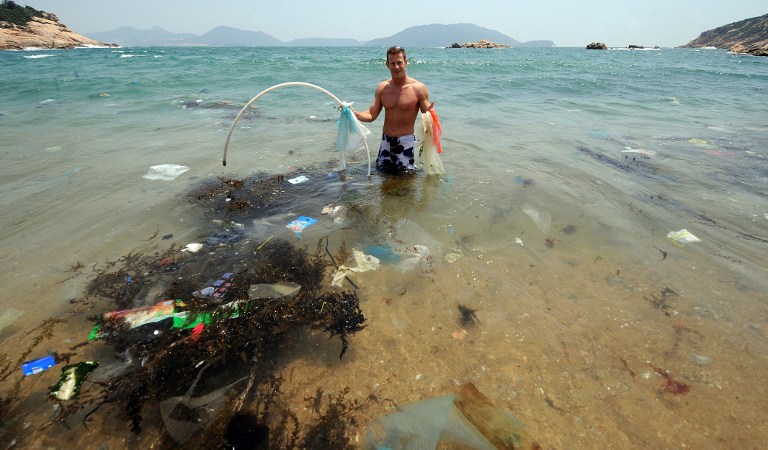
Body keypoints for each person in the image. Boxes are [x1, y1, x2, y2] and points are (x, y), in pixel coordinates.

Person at [354, 46, 434, 173]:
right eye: (392, 63)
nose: (396, 67)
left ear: (406, 62)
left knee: (405, 180)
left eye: (399, 62)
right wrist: (354, 113)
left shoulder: (418, 88)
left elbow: (428, 119)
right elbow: (371, 114)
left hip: (405, 143)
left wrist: (431, 114)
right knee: (382, 178)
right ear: (387, 65)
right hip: (385, 142)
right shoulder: (383, 88)